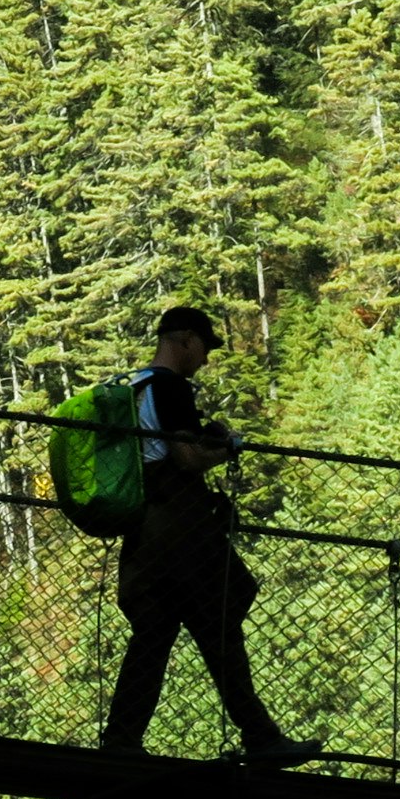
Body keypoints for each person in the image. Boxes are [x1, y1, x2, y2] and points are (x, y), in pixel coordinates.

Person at [96, 307, 302, 767]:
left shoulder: (133, 386)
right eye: (205, 348)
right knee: (218, 620)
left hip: (145, 530)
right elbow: (186, 458)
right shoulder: (168, 387)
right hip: (180, 526)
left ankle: (121, 742)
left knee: (157, 633)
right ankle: (261, 739)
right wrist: (224, 448)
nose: (206, 359)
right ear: (186, 339)